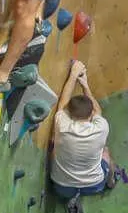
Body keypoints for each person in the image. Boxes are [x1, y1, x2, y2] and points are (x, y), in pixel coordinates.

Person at [45, 61, 116, 205]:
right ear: (91, 115)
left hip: (62, 186)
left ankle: (71, 203)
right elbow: (97, 110)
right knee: (105, 152)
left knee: (54, 146)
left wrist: (73, 75)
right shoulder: (101, 127)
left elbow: (62, 103)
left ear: (69, 114)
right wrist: (85, 84)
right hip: (94, 185)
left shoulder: (62, 125)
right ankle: (111, 181)